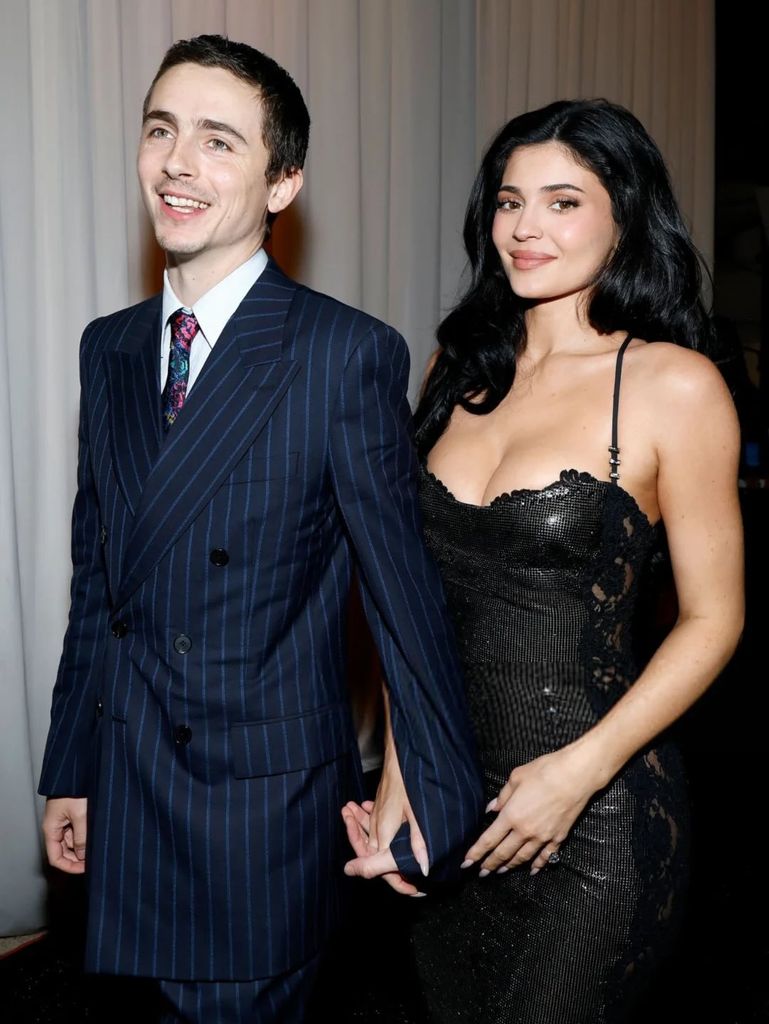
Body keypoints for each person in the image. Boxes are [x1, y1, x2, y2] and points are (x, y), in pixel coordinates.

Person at [37, 34, 484, 1024]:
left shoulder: (342, 353)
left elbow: (402, 598)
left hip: (257, 812)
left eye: (218, 141)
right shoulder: (109, 347)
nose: (177, 164)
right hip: (125, 784)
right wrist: (70, 766)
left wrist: (436, 806)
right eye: (161, 130)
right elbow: (96, 583)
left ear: (284, 183)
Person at [343, 98, 744, 1022]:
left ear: (624, 213)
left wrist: (577, 771)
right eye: (508, 201)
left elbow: (713, 618)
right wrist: (402, 774)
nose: (524, 228)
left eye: (562, 202)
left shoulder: (672, 384)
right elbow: (418, 608)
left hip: (594, 816)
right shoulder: (459, 366)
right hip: (455, 803)